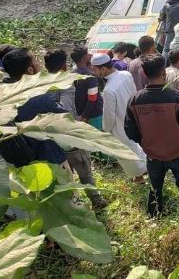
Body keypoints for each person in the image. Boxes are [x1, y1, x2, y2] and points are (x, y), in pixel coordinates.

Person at [124, 54, 179, 224]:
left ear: (143, 73)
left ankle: (154, 218)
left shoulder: (135, 100)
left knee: (154, 188)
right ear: (164, 73)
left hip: (153, 156)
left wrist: (145, 142)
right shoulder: (178, 98)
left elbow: (130, 130)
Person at [44, 49, 107, 209]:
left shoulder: (42, 84)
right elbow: (67, 108)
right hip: (70, 134)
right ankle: (96, 200)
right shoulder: (68, 82)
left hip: (51, 136)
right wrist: (81, 120)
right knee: (84, 168)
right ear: (64, 66)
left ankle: (71, 204)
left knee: (64, 174)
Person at [0, 48, 68, 167]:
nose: (39, 65)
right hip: (49, 161)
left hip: (19, 164)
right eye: (36, 61)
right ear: (30, 70)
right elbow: (65, 119)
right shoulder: (40, 98)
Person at [91, 53, 147, 181]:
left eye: (95, 69)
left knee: (128, 155)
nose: (94, 72)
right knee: (137, 148)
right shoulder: (125, 75)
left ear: (103, 69)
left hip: (120, 126)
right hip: (133, 119)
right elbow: (135, 94)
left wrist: (106, 130)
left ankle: (140, 177)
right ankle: (146, 173)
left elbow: (109, 117)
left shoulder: (109, 90)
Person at [69, 46, 104, 130]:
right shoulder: (89, 76)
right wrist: (85, 116)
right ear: (84, 58)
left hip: (79, 112)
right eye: (87, 54)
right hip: (93, 115)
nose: (89, 55)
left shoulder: (71, 73)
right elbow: (92, 99)